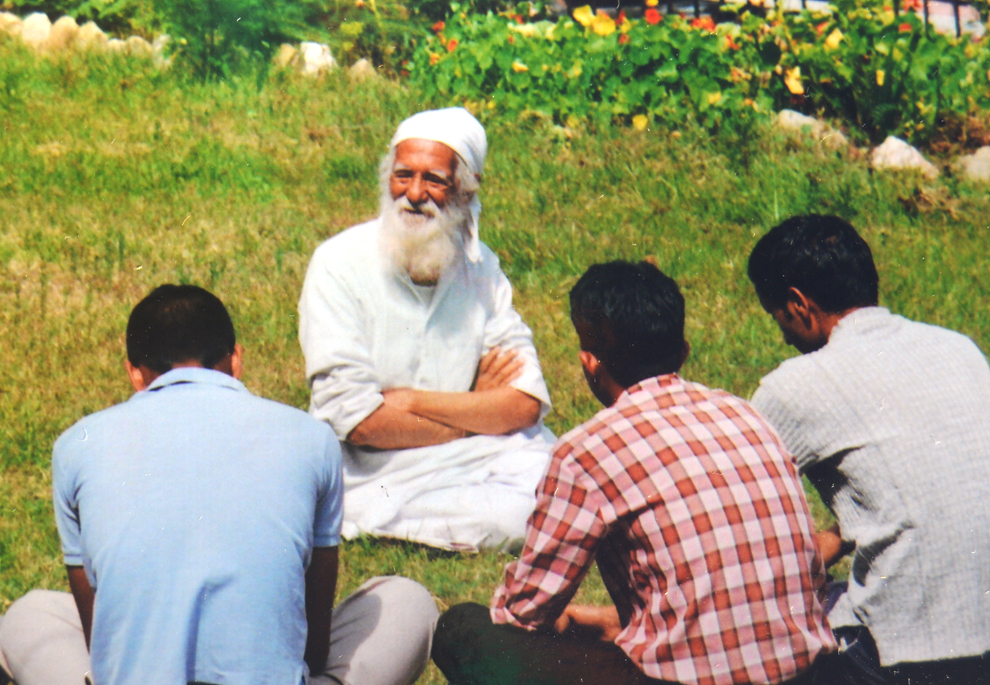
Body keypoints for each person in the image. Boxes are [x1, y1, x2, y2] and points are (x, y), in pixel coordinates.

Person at [0, 285, 437, 685]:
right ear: (237, 359)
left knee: (29, 614)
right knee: (405, 601)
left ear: (135, 373)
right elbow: (315, 646)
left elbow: (102, 646)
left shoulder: (76, 445)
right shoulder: (311, 438)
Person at [431, 261, 837, 685]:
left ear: (590, 364)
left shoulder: (585, 453)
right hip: (809, 673)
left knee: (464, 630)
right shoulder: (747, 414)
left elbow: (524, 610)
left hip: (682, 679)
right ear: (683, 350)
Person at [747, 214, 990, 684]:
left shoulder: (792, 386)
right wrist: (838, 538)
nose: (783, 335)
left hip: (915, 661)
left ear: (798, 304)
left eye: (779, 317)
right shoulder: (958, 349)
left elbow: (741, 537)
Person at [298, 107, 553, 552]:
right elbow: (360, 423)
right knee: (528, 514)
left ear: (466, 189)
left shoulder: (481, 268)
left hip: (478, 457)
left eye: (434, 180)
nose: (414, 194)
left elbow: (524, 403)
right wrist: (475, 414)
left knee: (553, 481)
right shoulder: (337, 264)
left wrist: (413, 402)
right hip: (370, 468)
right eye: (403, 176)